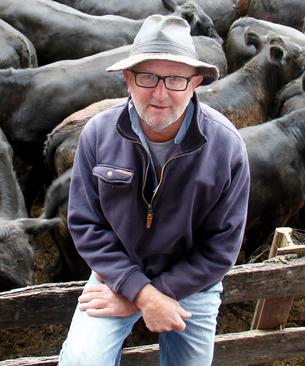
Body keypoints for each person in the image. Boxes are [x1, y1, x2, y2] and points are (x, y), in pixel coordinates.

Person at [58, 14, 250, 366]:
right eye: (148, 77)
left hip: (192, 281)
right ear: (128, 79)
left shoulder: (226, 147)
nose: (160, 94)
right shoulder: (98, 134)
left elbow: (222, 247)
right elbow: (85, 224)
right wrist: (141, 292)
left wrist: (149, 296)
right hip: (117, 273)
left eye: (175, 79)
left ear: (195, 83)